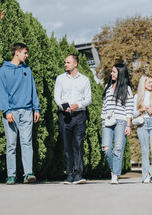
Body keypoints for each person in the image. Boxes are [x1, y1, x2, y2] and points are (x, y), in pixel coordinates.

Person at [0, 43, 40, 185]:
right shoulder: (4, 70)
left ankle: (28, 173)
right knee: (11, 144)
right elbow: (2, 92)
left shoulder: (27, 69)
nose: (26, 55)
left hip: (27, 111)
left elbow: (33, 89)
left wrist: (37, 108)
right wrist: (6, 111)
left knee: (26, 142)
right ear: (17, 52)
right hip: (11, 113)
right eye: (24, 53)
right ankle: (11, 175)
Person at [54, 54, 92, 185]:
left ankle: (78, 175)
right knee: (67, 146)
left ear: (75, 64)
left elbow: (88, 99)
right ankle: (69, 175)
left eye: (68, 62)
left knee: (78, 144)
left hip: (80, 116)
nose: (65, 64)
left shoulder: (85, 80)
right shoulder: (60, 79)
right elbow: (57, 97)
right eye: (65, 62)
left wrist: (78, 105)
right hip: (65, 116)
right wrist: (63, 106)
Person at [101, 63, 134, 184]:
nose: (111, 74)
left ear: (120, 73)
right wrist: (103, 122)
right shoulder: (107, 87)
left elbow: (130, 108)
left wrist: (129, 125)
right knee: (106, 149)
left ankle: (114, 175)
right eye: (111, 71)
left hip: (121, 120)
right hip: (108, 120)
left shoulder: (127, 88)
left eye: (114, 72)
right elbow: (104, 106)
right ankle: (114, 169)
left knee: (118, 148)